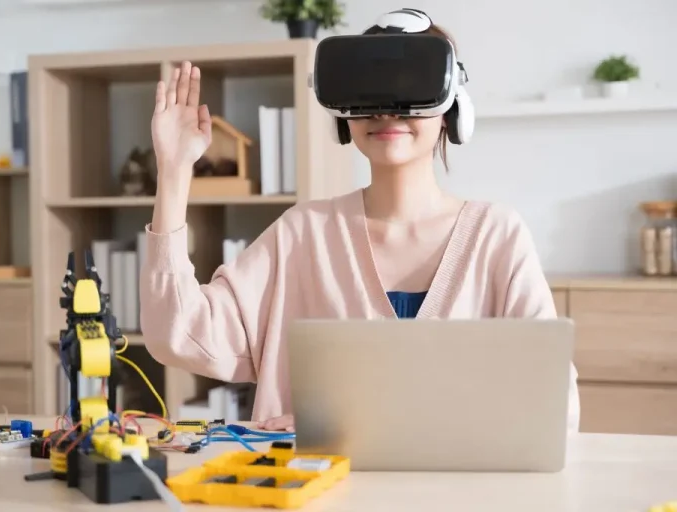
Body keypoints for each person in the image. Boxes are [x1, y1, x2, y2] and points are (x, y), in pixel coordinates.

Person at [140, 10, 581, 434]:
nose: (387, 112)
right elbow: (177, 334)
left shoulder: (496, 236)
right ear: (343, 113)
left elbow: (555, 406)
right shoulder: (302, 234)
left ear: (453, 109)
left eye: (411, 89)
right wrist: (175, 172)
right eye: (369, 94)